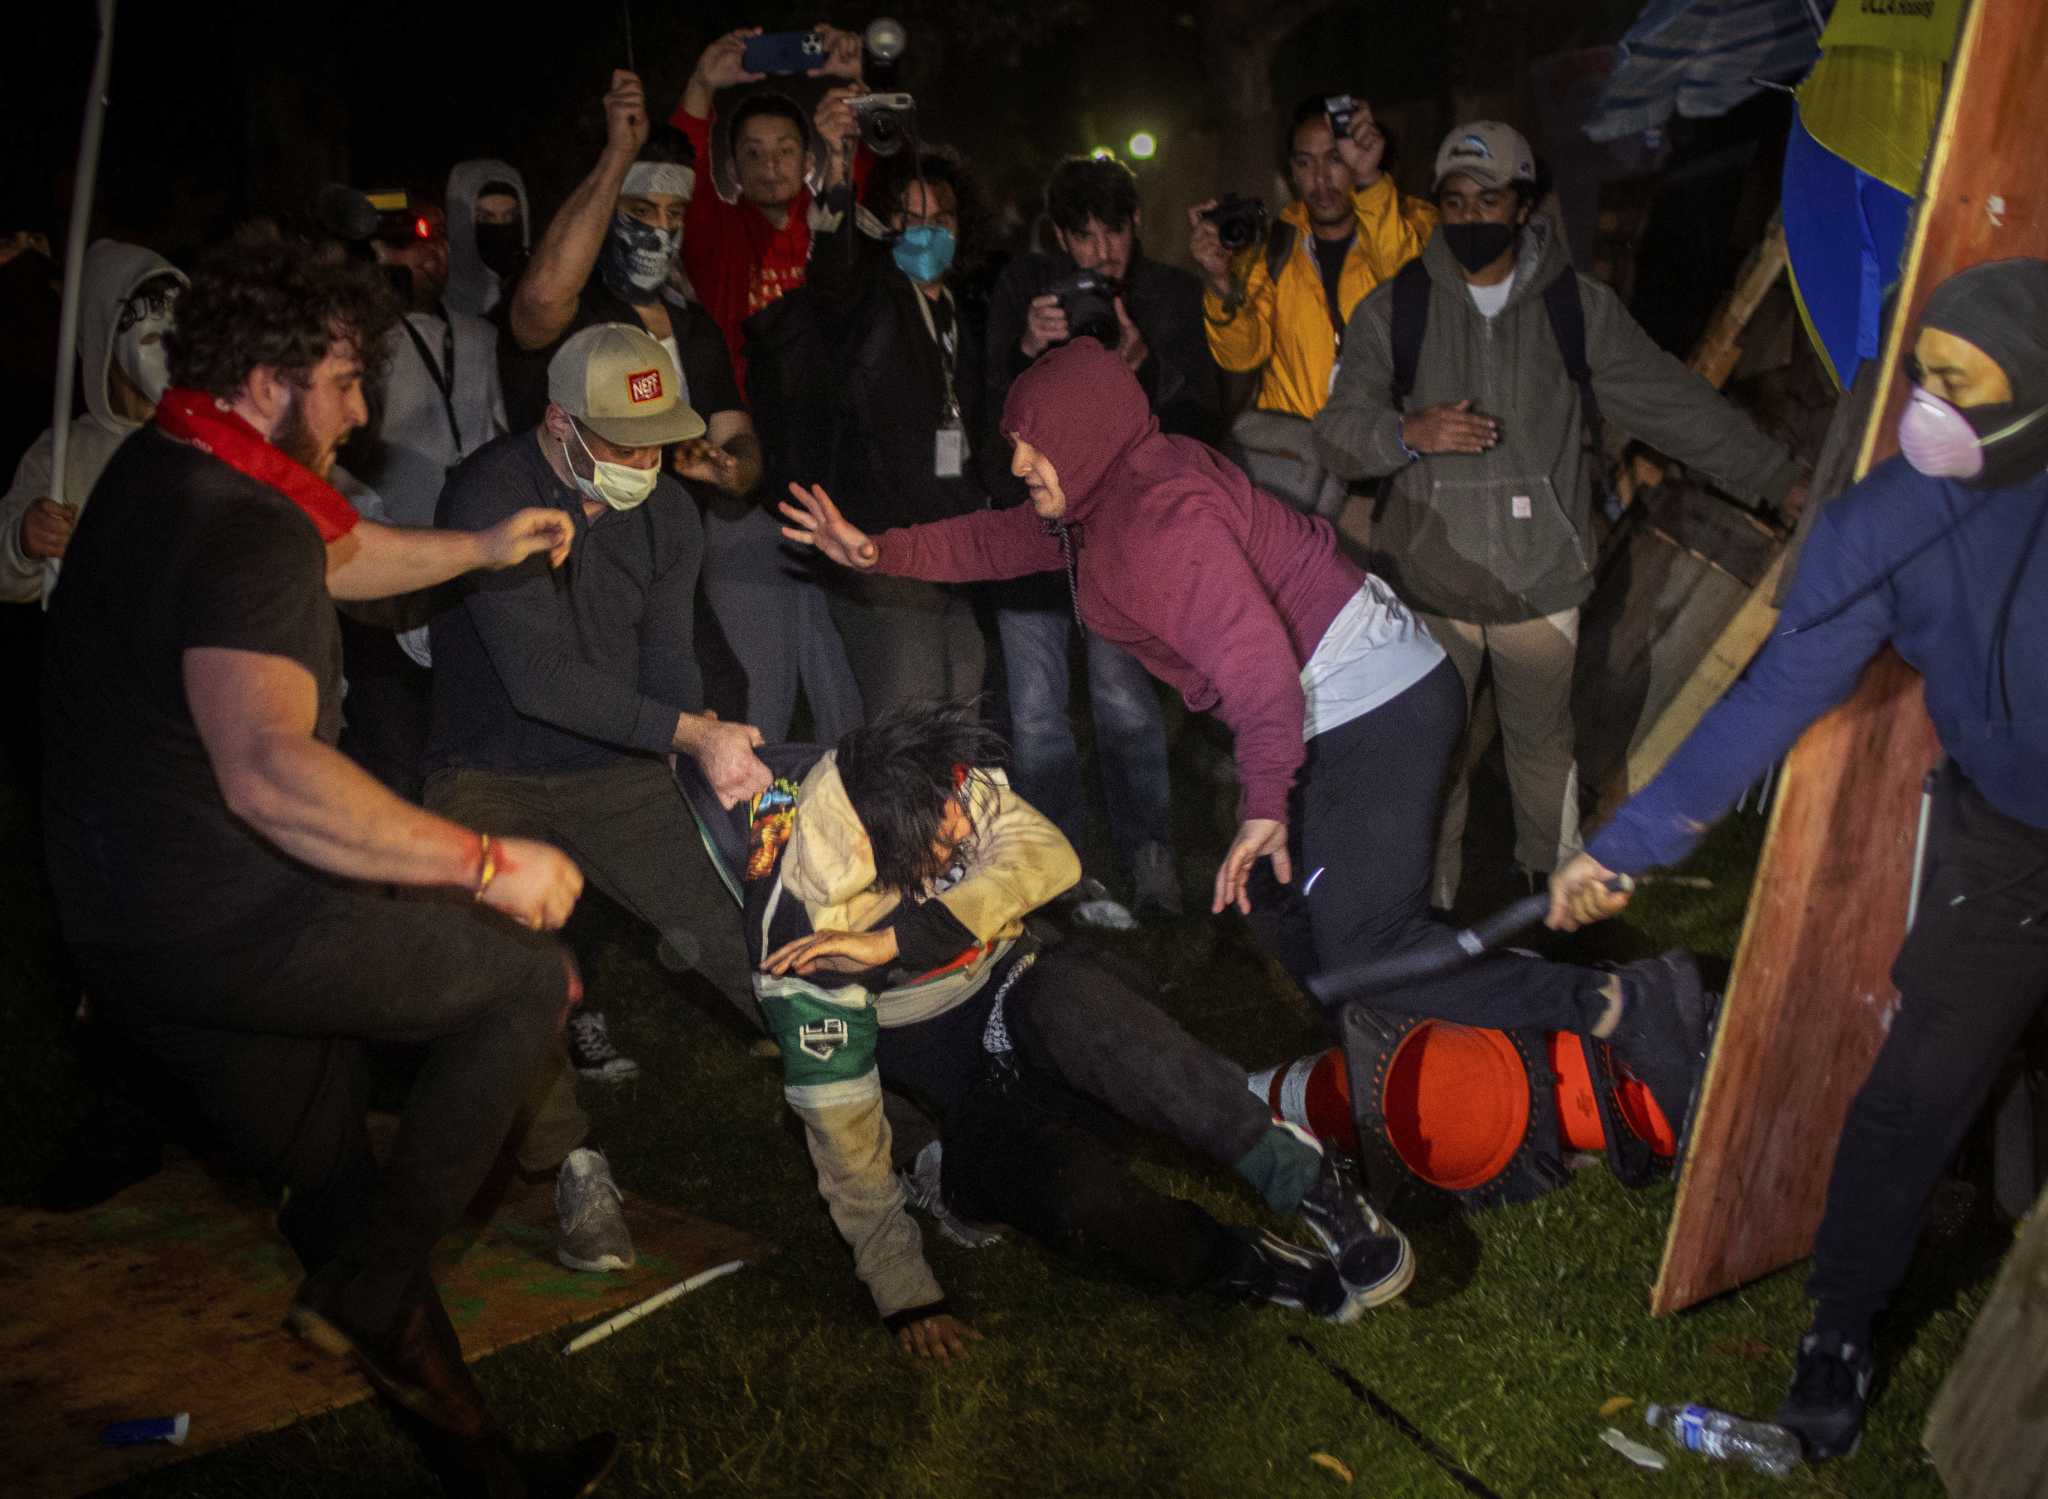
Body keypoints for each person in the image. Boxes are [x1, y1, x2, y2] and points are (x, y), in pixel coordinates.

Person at [779, 337, 1713, 1139]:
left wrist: (1265, 802)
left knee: (1366, 942)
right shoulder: (1113, 492)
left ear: (1083, 437)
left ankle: (1618, 1005)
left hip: (1374, 708)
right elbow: (1004, 541)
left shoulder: (1158, 522)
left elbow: (1261, 668)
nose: (1021, 466)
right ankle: (1409, 1041)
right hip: (1342, 707)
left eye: (1033, 449)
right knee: (1281, 907)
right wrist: (883, 551)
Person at [38, 236, 615, 1491]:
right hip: (225, 915)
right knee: (520, 984)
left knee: (337, 1189)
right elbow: (269, 769)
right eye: (347, 380)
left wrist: (477, 548)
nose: (362, 410)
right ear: (264, 380)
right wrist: (480, 860)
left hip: (124, 934)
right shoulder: (242, 527)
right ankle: (375, 1277)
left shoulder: (170, 460)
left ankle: (481, 1466)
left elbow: (341, 551)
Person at [1548, 257, 2048, 1462]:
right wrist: (1629, 842)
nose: (1920, 402)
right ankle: (1836, 1328)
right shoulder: (1882, 521)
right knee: (1916, 1083)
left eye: (1950, 382)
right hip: (2003, 841)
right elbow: (1771, 693)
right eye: (1915, 371)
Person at [678, 701, 1413, 1359]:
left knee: (1091, 1013)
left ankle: (1306, 1179)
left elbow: (1048, 855)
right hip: (959, 1086)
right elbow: (845, 1146)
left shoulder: (917, 774)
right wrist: (906, 1292)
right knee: (1078, 1200)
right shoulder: (798, 939)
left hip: (1019, 990)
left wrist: (902, 940)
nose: (966, 833)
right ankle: (1245, 1263)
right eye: (945, 843)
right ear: (888, 858)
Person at [1313, 121, 1806, 908]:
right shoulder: (1393, 310)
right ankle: (1424, 920)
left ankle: (1553, 910)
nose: (1472, 217)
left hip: (1538, 581)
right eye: (1454, 201)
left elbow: (1672, 405)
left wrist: (1776, 479)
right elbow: (1337, 435)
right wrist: (1406, 433)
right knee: (1430, 761)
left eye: (1490, 198)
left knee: (1544, 756)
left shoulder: (1578, 311)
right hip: (1429, 587)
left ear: (1526, 203)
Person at [424, 321, 775, 1269]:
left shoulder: (667, 512)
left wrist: (696, 742)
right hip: (487, 767)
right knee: (516, 975)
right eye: (622, 441)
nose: (646, 460)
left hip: (615, 765)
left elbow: (666, 655)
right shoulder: (491, 491)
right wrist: (684, 732)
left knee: (744, 928)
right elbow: (537, 678)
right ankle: (571, 1161)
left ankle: (901, 1125)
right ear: (559, 424)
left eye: (659, 438)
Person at [982, 153, 1220, 923]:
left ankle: (1150, 858)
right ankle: (1060, 869)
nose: (1102, 253)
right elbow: (984, 404)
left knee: (1125, 701)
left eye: (1114, 231)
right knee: (1037, 711)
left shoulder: (1166, 294)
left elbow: (1200, 416)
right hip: (1031, 537)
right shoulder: (1024, 289)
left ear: (1135, 226)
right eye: (1083, 237)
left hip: (1120, 537)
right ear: (1058, 237)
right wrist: (1026, 346)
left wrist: (1140, 359)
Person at [664, 29, 869, 744]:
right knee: (762, 680)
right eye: (752, 153)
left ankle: (856, 823)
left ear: (808, 158)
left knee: (840, 675)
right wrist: (700, 85)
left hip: (832, 479)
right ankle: (755, 829)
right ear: (733, 166)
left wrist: (854, 76)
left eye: (786, 150)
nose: (771, 165)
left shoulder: (831, 227)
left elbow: (862, 162)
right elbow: (673, 172)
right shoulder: (719, 234)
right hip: (745, 481)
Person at [803, 98, 990, 717]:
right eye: (909, 219)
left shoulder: (965, 312)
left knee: (963, 707)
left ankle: (955, 820)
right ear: (883, 226)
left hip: (953, 546)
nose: (928, 231)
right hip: (881, 547)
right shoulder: (871, 299)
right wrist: (836, 162)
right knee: (909, 717)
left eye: (941, 217)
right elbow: (831, 274)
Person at [341, 194, 509, 799]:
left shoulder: (480, 334)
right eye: (411, 243)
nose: (431, 255)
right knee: (394, 755)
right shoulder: (359, 343)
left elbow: (498, 432)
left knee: (466, 758)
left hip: (470, 570)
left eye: (440, 241)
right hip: (387, 572)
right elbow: (342, 461)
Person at [1191, 94, 1434, 423]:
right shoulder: (1273, 248)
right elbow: (1241, 358)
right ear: (1290, 171)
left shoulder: (1410, 223)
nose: (1320, 179)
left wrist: (1369, 182)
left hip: (1385, 446)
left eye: (1335, 158)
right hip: (1296, 458)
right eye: (1304, 163)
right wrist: (1221, 284)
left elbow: (1411, 296)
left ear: (1364, 152)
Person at [2, 240, 184, 605]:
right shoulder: (62, 454)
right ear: (105, 342)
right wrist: (24, 541)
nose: (170, 347)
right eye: (149, 335)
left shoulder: (212, 439)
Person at [444, 158, 529, 320]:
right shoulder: (434, 305)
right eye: (484, 217)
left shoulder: (536, 293)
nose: (500, 227)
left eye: (510, 216)